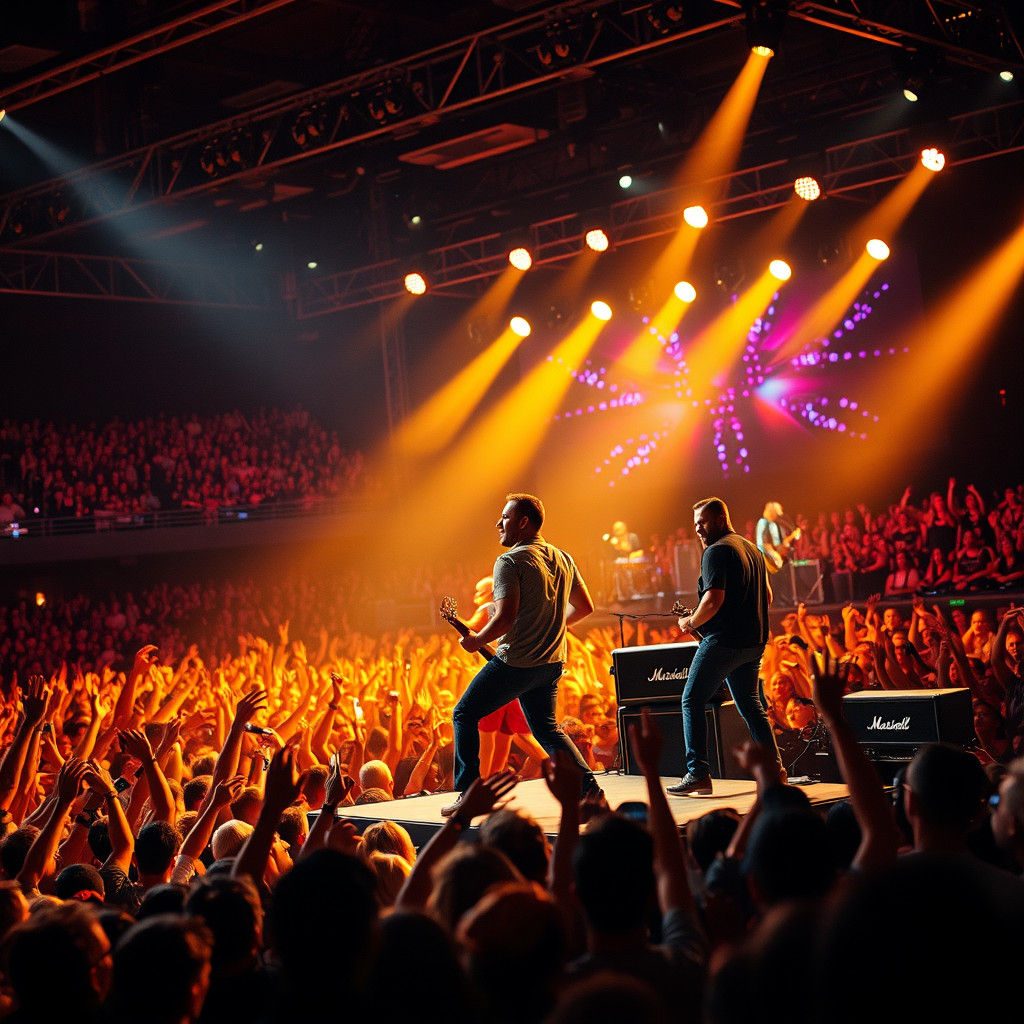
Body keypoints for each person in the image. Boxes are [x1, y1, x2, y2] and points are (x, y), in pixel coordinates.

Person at [443, 493, 598, 815]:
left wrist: (477, 641)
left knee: (464, 714)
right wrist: (553, 625)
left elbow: (504, 618)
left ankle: (468, 794)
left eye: (505, 518)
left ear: (523, 522)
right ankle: (591, 792)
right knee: (547, 730)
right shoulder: (563, 557)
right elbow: (586, 607)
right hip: (552, 662)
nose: (498, 524)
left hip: (517, 662)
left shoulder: (510, 561)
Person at [671, 497, 781, 795]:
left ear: (720, 519)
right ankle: (775, 769)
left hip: (725, 642)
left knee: (691, 700)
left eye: (702, 523)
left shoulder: (716, 551)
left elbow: (713, 600)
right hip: (754, 641)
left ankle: (697, 774)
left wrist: (690, 622)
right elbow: (767, 597)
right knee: (750, 705)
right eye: (695, 524)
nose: (698, 529)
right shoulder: (751, 549)